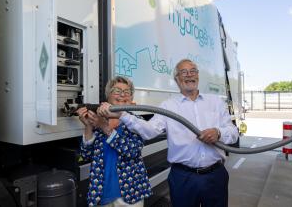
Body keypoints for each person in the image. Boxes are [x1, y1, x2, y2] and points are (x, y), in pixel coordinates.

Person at [98, 59, 239, 207]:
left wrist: (218, 133)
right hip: (183, 178)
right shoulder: (168, 106)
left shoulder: (215, 102)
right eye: (183, 72)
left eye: (193, 71)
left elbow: (233, 132)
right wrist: (123, 115)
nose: (189, 75)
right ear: (177, 79)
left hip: (215, 176)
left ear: (198, 75)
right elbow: (149, 131)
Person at [77, 76, 152, 207]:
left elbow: (132, 151)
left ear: (131, 98)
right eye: (117, 91)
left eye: (127, 92)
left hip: (130, 195)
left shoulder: (137, 121)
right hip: (101, 194)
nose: (122, 95)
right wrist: (88, 126)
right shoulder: (98, 119)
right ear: (108, 96)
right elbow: (85, 155)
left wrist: (104, 127)